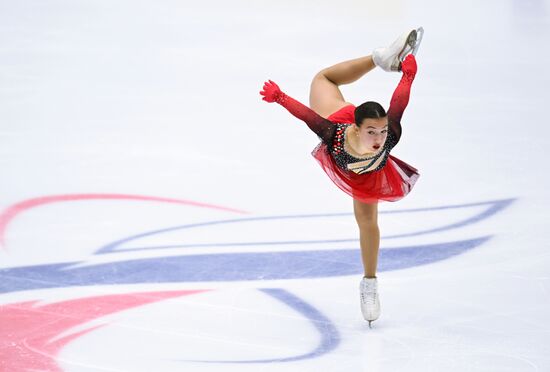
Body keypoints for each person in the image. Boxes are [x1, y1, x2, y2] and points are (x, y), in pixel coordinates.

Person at [260, 28, 423, 327]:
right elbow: (309, 117)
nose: (379, 138)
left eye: (383, 131)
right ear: (358, 128)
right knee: (323, 80)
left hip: (365, 176)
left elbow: (399, 103)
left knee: (367, 222)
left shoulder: (388, 137)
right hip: (339, 121)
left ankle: (369, 283)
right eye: (372, 132)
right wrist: (280, 98)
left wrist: (408, 76)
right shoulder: (333, 133)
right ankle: (380, 58)